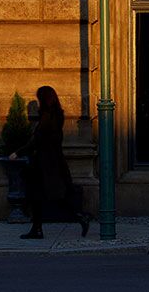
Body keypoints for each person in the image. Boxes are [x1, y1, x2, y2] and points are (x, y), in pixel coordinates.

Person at [9, 86, 89, 239]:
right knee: (41, 196)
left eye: (39, 98)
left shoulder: (48, 116)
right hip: (51, 161)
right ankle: (38, 229)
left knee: (49, 196)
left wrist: (18, 152)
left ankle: (79, 217)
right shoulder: (57, 114)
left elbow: (37, 140)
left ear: (44, 99)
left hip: (45, 164)